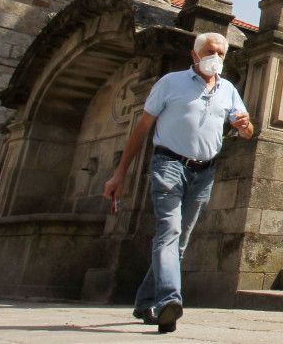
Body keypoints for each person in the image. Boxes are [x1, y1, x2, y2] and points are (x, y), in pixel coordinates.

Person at [103, 31, 254, 333]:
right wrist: (120, 172)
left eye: (222, 53)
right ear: (195, 55)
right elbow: (141, 128)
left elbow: (247, 131)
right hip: (169, 163)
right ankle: (169, 300)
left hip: (205, 171)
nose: (216, 58)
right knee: (169, 232)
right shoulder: (170, 83)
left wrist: (245, 125)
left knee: (179, 242)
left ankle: (146, 301)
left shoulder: (228, 90)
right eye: (211, 51)